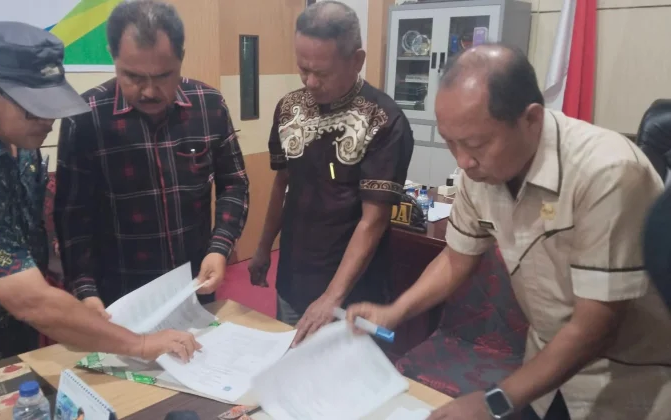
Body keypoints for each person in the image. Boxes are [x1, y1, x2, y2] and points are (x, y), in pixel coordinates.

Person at [347, 44, 671, 420]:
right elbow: (455, 259)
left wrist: (493, 402)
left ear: (531, 119)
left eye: (475, 144)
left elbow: (594, 327)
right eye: (450, 142)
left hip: (623, 379)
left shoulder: (608, 173)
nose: (463, 161)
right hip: (544, 368)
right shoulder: (480, 170)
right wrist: (395, 311)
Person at [0, 22, 200, 382]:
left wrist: (77, 307)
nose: (49, 122)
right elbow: (31, 301)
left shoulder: (16, 133)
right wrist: (142, 344)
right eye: (35, 109)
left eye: (53, 106)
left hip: (18, 336)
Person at [54, 0, 249, 315]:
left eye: (162, 76)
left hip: (194, 285)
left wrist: (219, 247)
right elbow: (73, 218)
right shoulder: (85, 116)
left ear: (181, 58)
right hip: (120, 296)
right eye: (133, 76)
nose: (149, 91)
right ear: (113, 57)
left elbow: (234, 184)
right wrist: (85, 291)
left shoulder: (208, 105)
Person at [248, 1, 413, 346]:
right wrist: (263, 247)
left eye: (322, 73)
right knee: (290, 363)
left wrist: (331, 297)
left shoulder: (383, 120)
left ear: (357, 60)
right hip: (294, 273)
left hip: (352, 290)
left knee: (342, 373)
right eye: (302, 69)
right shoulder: (289, 108)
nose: (310, 82)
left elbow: (373, 220)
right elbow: (283, 183)